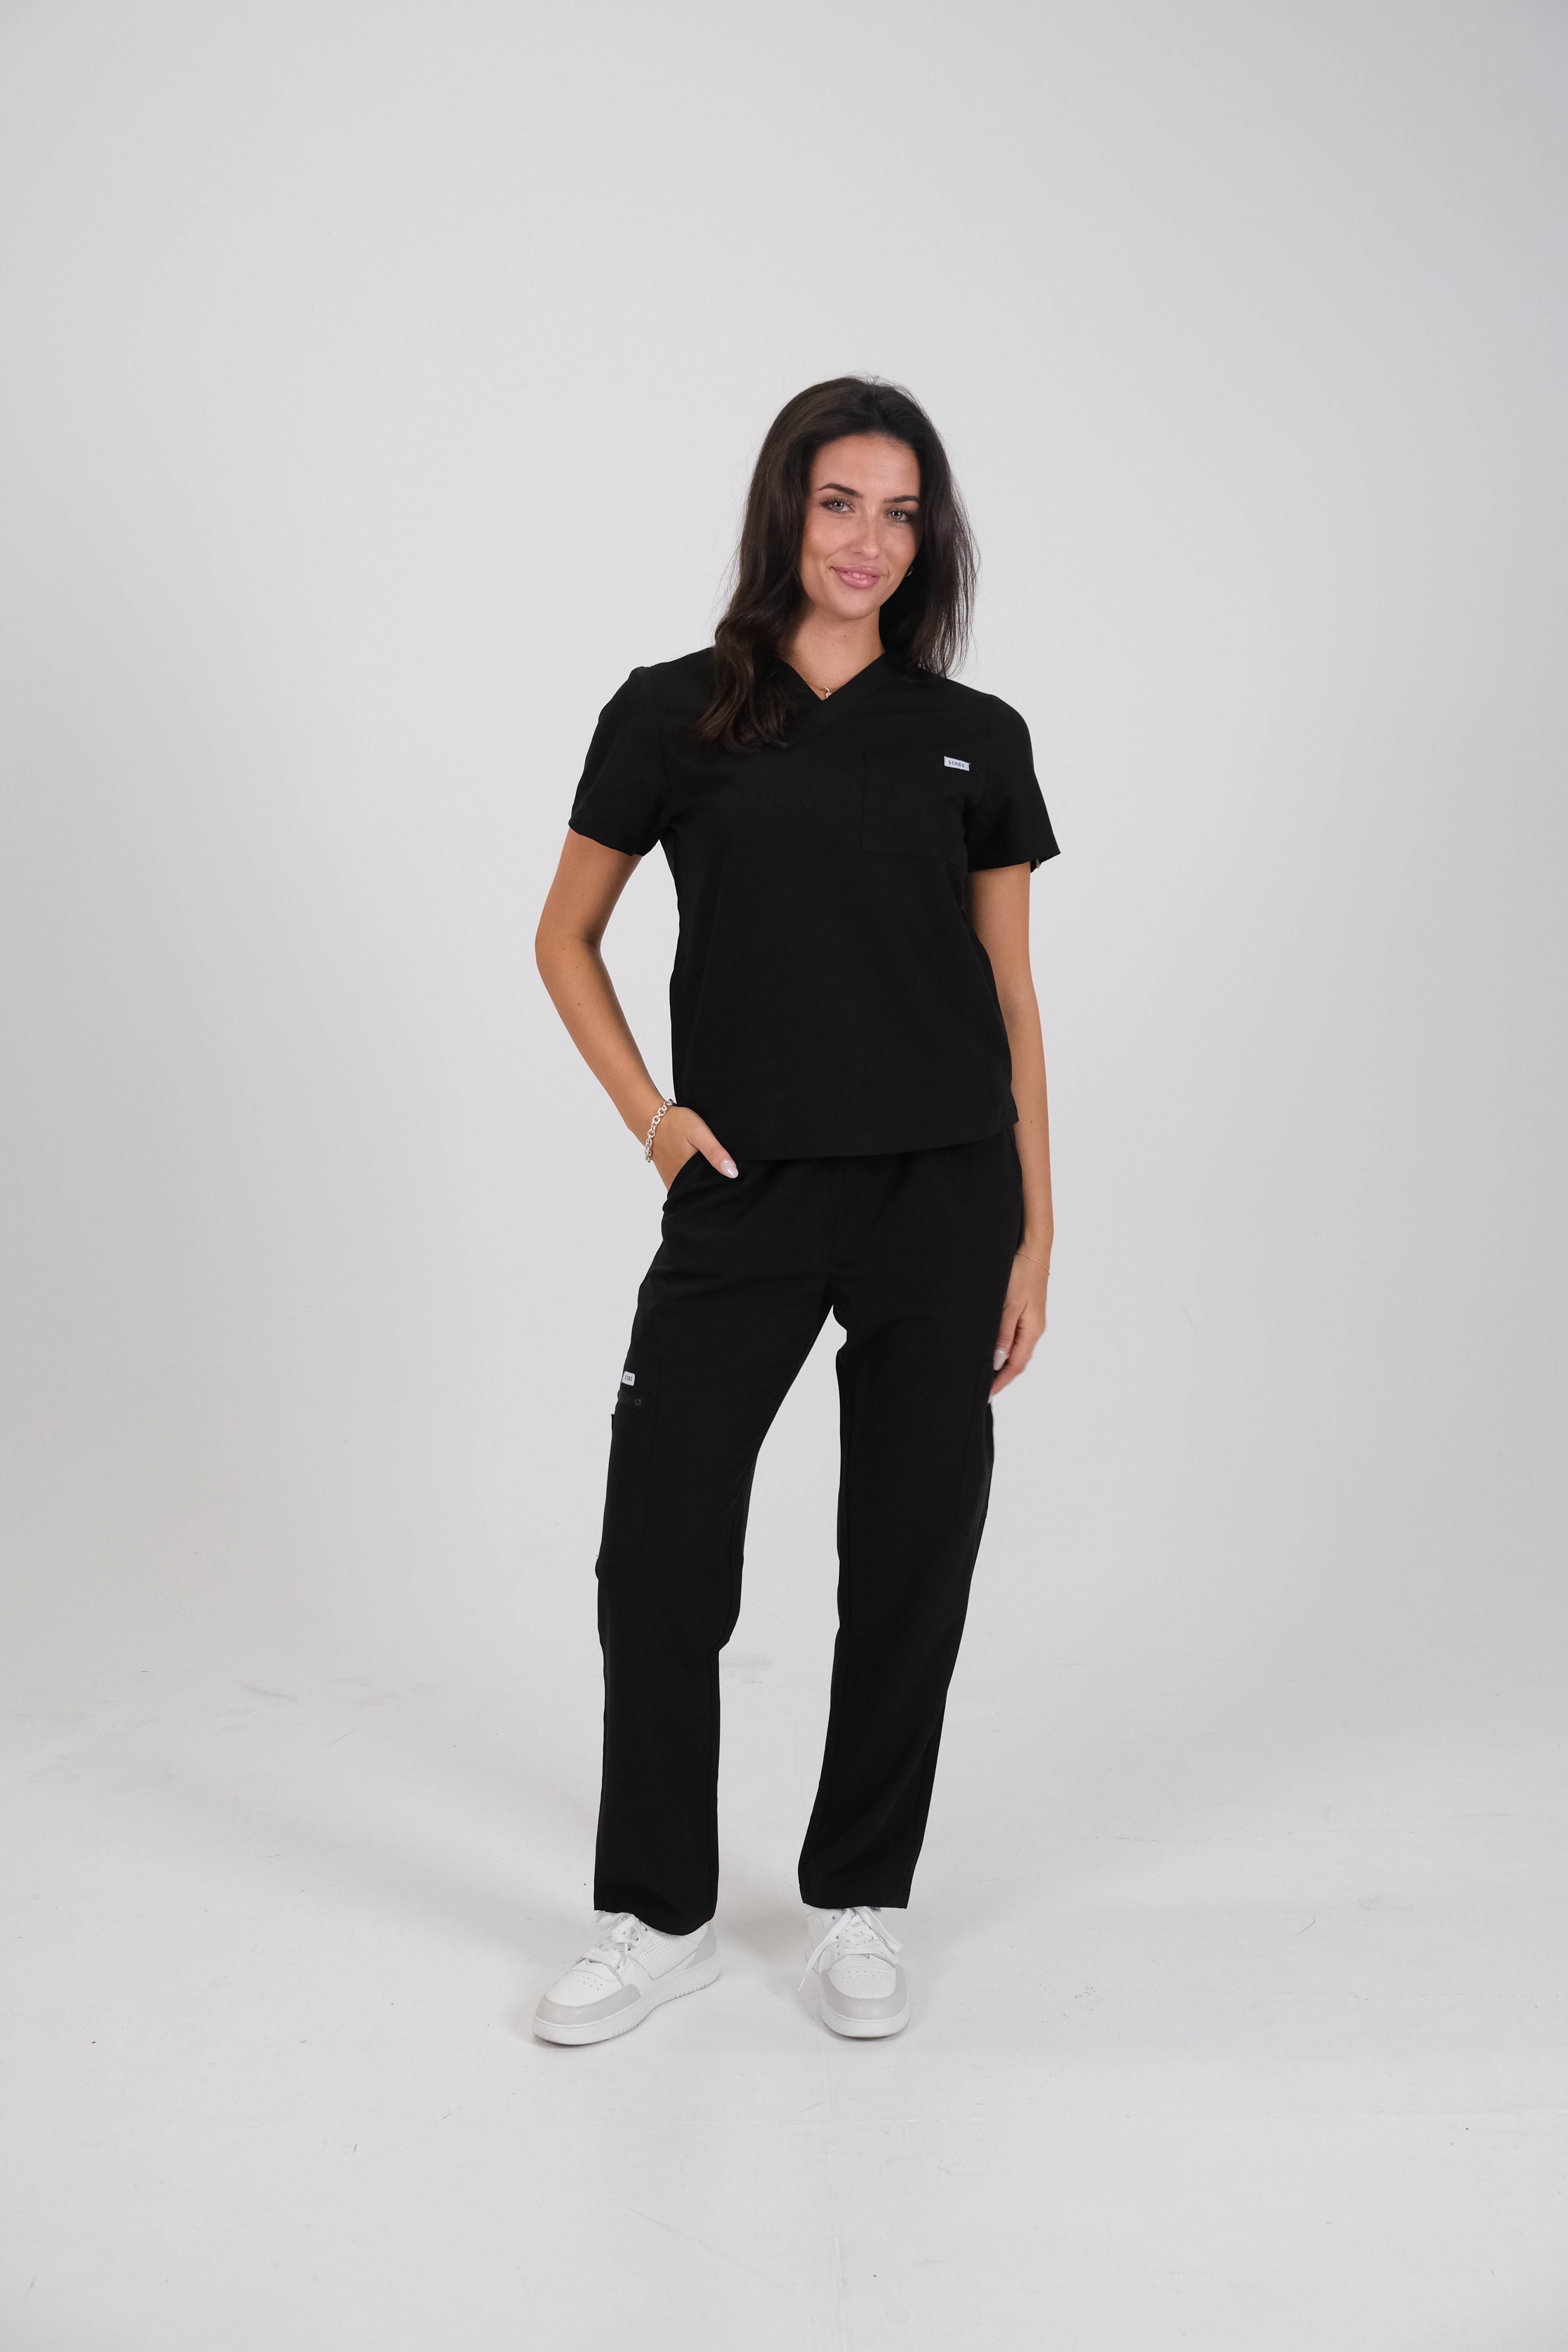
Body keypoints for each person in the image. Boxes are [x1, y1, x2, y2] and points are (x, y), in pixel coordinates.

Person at [530, 377, 1058, 2045]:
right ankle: (657, 1914)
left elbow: (1010, 994)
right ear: (786, 511)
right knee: (658, 1554)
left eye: (901, 514)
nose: (869, 542)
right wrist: (654, 1121)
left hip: (941, 1192)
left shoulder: (974, 736)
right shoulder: (672, 714)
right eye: (841, 504)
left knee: (909, 1550)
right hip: (743, 1194)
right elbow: (563, 936)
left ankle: (860, 1900)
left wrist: (1036, 1231)